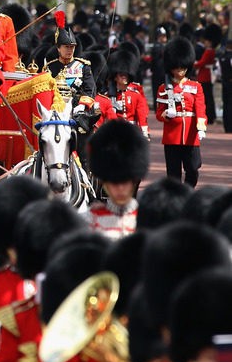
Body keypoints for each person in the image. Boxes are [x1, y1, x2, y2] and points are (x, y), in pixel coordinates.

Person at [44, 11, 97, 167]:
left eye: (72, 47)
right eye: (66, 47)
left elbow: (90, 90)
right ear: (58, 48)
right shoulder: (50, 67)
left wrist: (81, 106)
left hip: (76, 113)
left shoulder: (83, 66)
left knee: (84, 153)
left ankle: (86, 185)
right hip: (55, 112)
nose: (70, 50)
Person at [86, 119, 149, 239]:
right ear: (104, 182)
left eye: (125, 181)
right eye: (114, 182)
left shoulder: (148, 220)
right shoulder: (87, 220)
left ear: (134, 181)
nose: (120, 188)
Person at [157, 36, 206, 186]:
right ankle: (177, 200)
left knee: (193, 168)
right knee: (173, 173)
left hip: (191, 133)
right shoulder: (163, 88)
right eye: (177, 67)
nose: (180, 70)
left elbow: (200, 107)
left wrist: (201, 126)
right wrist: (166, 115)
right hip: (172, 135)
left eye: (183, 67)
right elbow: (159, 113)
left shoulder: (195, 86)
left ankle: (188, 192)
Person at [108, 48, 150, 138]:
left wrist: (145, 132)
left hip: (132, 131)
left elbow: (141, 115)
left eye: (126, 75)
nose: (124, 77)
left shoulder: (135, 95)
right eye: (121, 75)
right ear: (115, 77)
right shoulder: (108, 95)